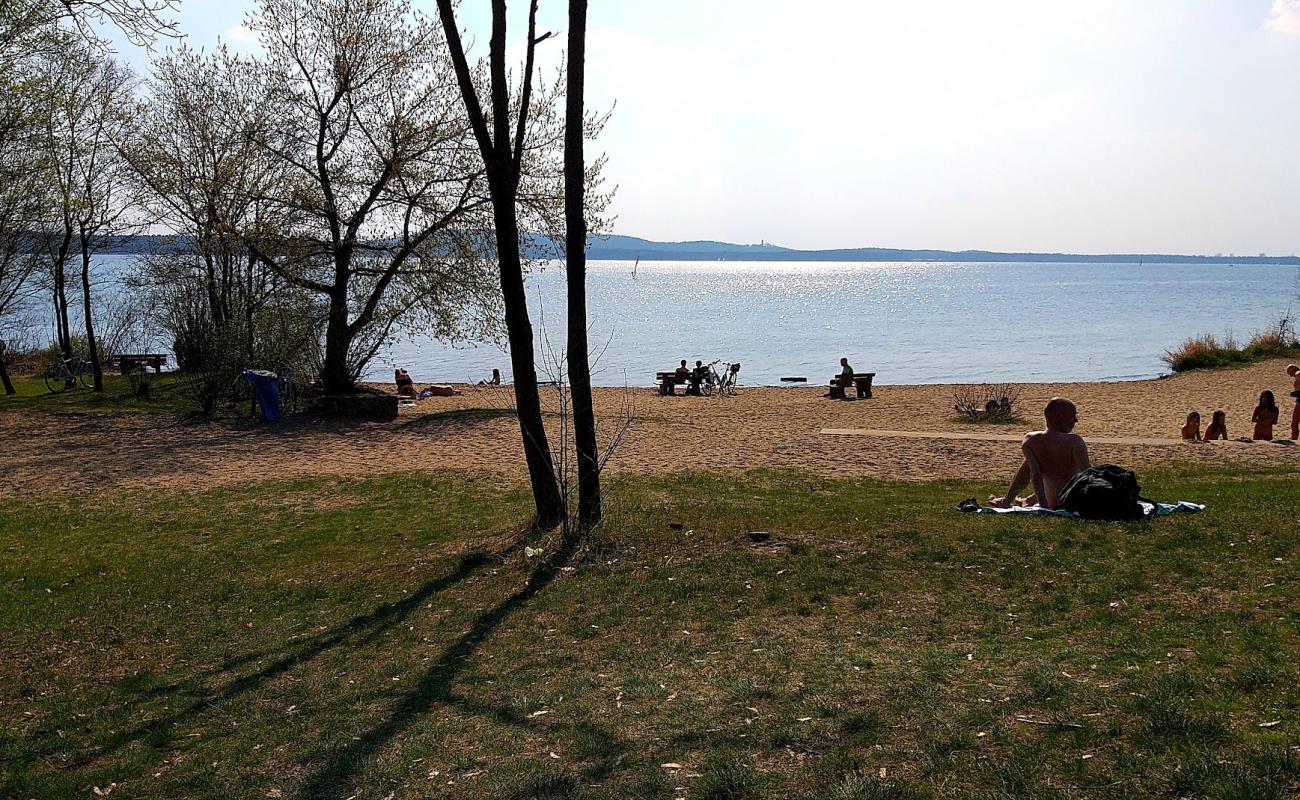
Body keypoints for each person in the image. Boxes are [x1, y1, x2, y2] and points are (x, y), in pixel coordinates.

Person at [990, 397, 1091, 510]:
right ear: (1060, 417)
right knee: (1042, 462)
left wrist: (1044, 505)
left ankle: (1010, 500)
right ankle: (1021, 500)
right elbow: (1088, 475)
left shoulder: (1031, 440)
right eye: (1072, 416)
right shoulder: (1074, 441)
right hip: (1072, 502)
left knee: (1035, 461)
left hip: (1051, 501)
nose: (1076, 420)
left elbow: (1036, 475)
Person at [1289, 364, 1300, 440]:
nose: (1290, 376)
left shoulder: (1298, 373)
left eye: (1289, 373)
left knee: (1294, 422)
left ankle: (1294, 439)